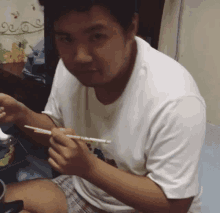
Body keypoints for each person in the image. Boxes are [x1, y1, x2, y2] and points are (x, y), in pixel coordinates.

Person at [0, 0, 206, 212]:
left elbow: (176, 205)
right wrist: (21, 114)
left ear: (131, 28)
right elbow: (56, 129)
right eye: (66, 38)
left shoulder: (176, 98)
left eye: (97, 36)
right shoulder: (70, 68)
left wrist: (89, 167)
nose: (80, 56)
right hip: (86, 190)